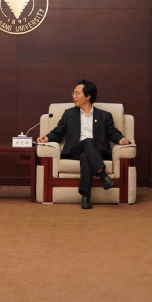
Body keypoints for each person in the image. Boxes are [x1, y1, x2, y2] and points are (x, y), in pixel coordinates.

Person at [37, 80, 129, 209]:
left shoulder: (104, 116)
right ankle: (103, 175)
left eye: (77, 93)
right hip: (75, 150)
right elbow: (58, 132)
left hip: (98, 151)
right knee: (88, 141)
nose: (73, 96)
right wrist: (47, 137)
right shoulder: (69, 114)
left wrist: (121, 139)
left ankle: (86, 197)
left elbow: (113, 132)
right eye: (73, 93)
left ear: (88, 96)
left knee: (86, 155)